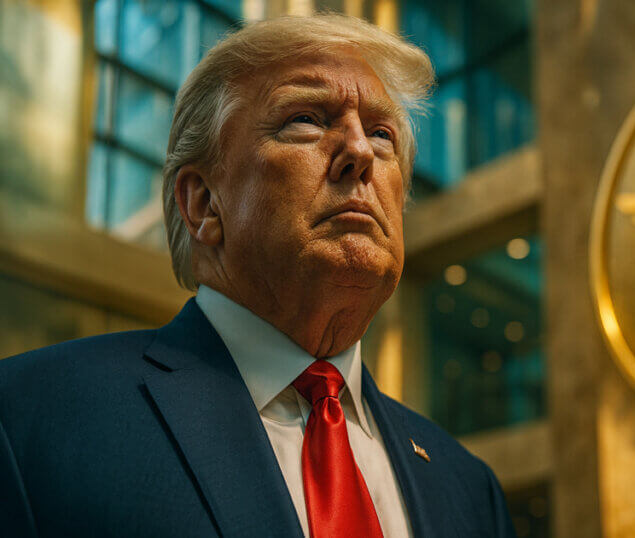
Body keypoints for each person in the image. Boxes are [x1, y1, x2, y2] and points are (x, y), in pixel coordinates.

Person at [0, 14, 515, 538]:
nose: (360, 151)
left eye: (382, 134)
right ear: (203, 203)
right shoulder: (28, 421)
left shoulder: (470, 490)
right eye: (306, 120)